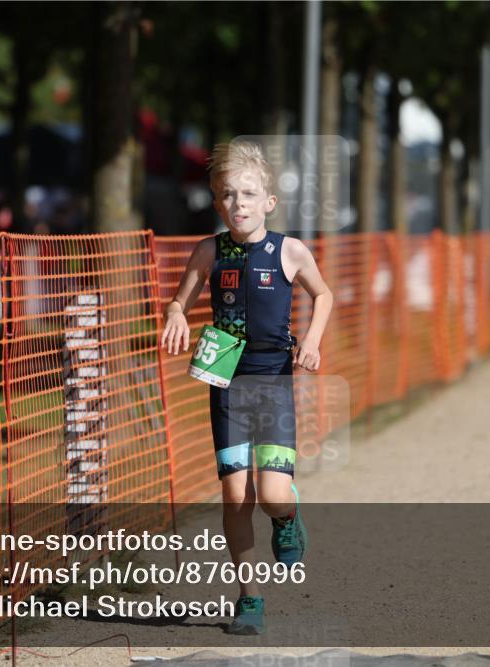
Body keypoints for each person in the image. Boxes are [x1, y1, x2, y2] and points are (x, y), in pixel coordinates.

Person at [160, 140, 333, 635]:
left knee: (273, 492)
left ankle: (287, 518)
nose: (239, 204)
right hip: (225, 374)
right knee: (236, 496)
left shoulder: (290, 250)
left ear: (269, 203)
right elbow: (179, 302)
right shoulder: (209, 250)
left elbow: (324, 296)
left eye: (248, 194)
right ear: (218, 203)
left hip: (273, 377)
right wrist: (175, 316)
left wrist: (314, 342)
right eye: (229, 195)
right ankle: (249, 598)